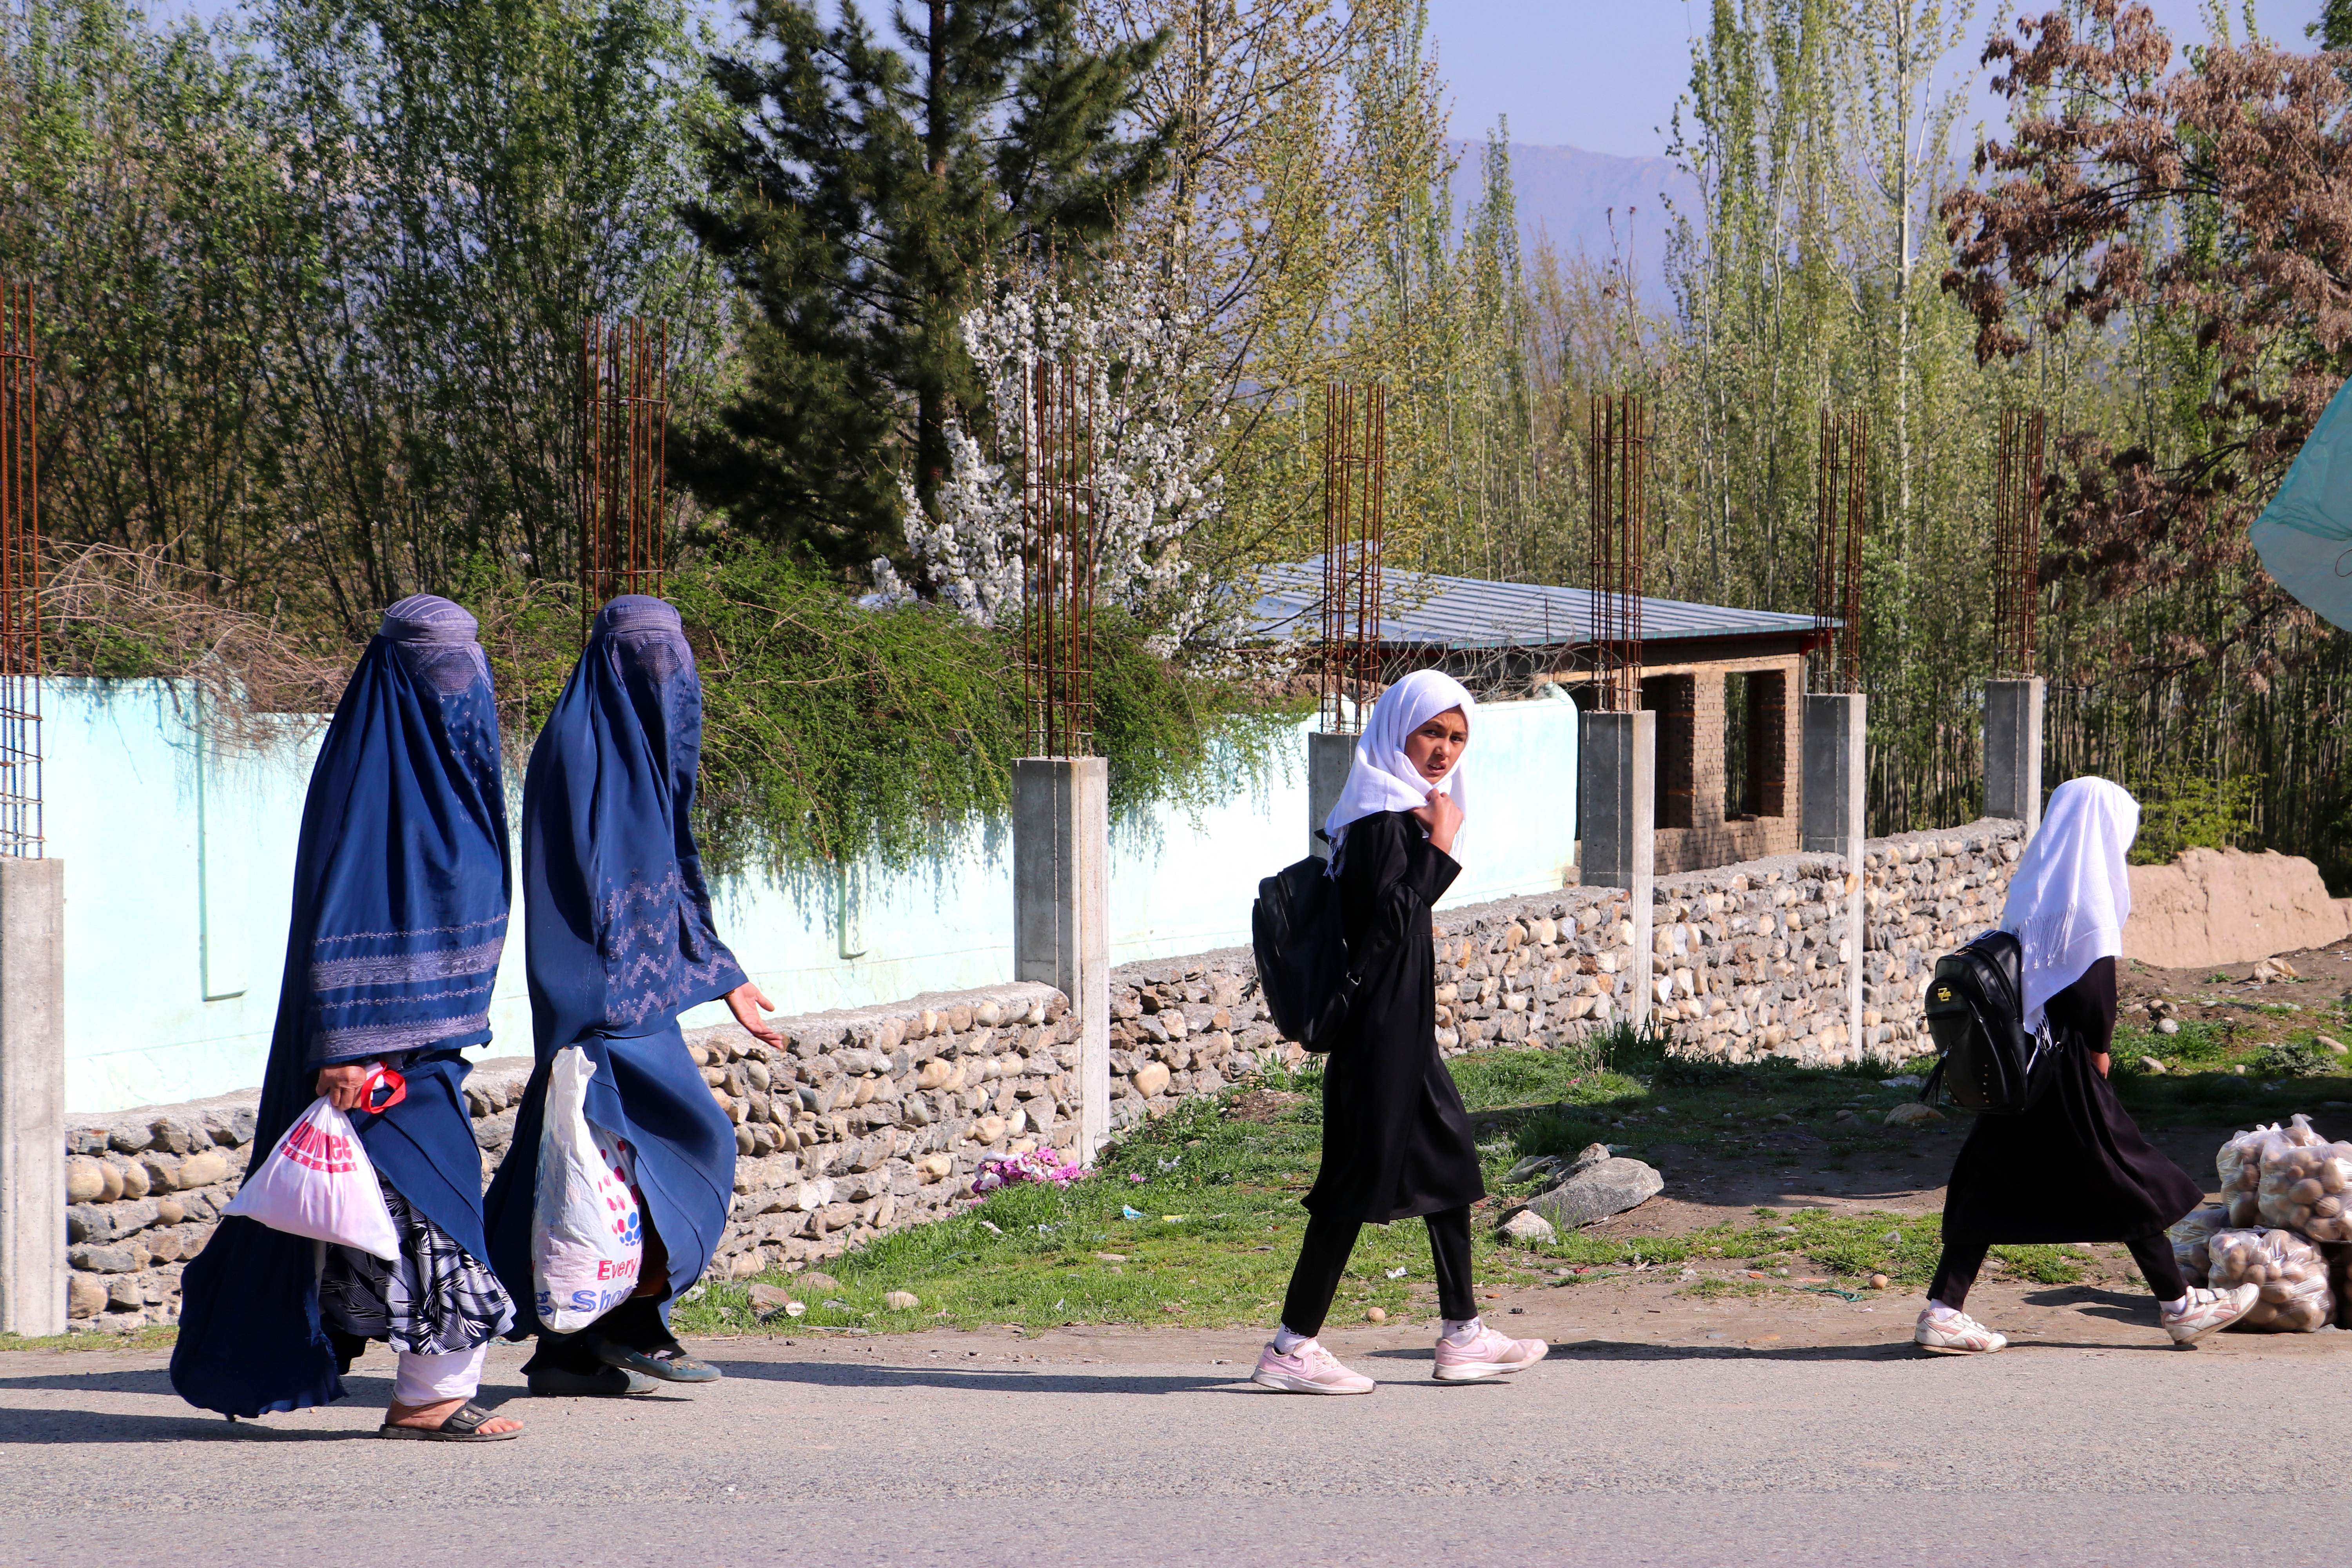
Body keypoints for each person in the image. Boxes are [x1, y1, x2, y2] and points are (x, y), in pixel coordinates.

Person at [171, 595, 523, 1440]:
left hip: (432, 1040)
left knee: (390, 1216)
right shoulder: (373, 780)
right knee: (442, 1208)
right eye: (440, 661)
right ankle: (426, 1398)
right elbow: (346, 905)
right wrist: (348, 1040)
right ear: (399, 675)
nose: (460, 679)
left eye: (466, 658)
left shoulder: (452, 782)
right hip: (374, 1045)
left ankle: (400, 1385)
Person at [484, 594, 782, 1397]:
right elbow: (585, 894)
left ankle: (567, 1350)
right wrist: (604, 999)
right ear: (614, 663)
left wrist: (725, 975)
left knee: (587, 1165)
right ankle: (636, 1321)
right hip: (600, 1000)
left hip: (632, 994)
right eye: (650, 659)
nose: (667, 678)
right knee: (686, 1144)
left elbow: (673, 873)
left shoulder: (637, 754)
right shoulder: (579, 749)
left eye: (674, 659)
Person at [1253, 669, 1547, 1394]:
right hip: (1378, 1033)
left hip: (1402, 1029)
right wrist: (1441, 852)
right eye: (1431, 733)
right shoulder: (1384, 821)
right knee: (1352, 1186)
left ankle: (1463, 1335)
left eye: (1456, 738)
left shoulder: (1396, 813)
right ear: (1397, 732)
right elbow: (1388, 928)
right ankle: (1292, 1347)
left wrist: (1433, 839)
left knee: (1448, 1166)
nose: (1444, 750)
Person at [1915, 776, 2257, 1354]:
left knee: (1990, 1178)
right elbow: (2092, 988)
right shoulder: (2085, 896)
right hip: (2062, 1061)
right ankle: (2180, 1306)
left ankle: (1944, 1309)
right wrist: (2100, 1046)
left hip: (2023, 1056)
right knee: (2121, 1169)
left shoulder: (2035, 887)